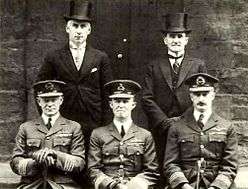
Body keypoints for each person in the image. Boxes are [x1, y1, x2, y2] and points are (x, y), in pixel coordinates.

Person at [37, 0, 113, 144]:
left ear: (89, 30)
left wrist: (105, 123)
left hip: (92, 119)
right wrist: (48, 116)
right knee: (63, 161)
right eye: (75, 26)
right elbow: (40, 87)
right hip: (63, 118)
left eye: (83, 26)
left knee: (90, 161)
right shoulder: (54, 56)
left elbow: (108, 92)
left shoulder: (100, 57)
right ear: (67, 28)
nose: (79, 31)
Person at [141, 13, 207, 177]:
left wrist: (182, 120)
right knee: (161, 170)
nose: (176, 40)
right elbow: (147, 98)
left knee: (187, 169)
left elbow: (202, 96)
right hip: (161, 130)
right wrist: (164, 122)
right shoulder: (154, 65)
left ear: (186, 39)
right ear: (165, 40)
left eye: (180, 36)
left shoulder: (198, 65)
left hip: (189, 127)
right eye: (172, 36)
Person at [163, 73, 238, 189]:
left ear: (213, 95)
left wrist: (216, 187)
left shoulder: (227, 127)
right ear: (191, 96)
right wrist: (183, 185)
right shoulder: (176, 127)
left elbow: (230, 166)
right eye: (197, 94)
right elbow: (170, 164)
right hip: (185, 184)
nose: (201, 99)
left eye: (205, 94)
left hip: (217, 185)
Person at [10, 80, 85, 189]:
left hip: (63, 185)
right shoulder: (26, 128)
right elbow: (15, 162)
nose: (49, 104)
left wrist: (55, 156)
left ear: (61, 100)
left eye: (53, 100)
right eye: (45, 100)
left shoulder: (74, 127)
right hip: (32, 184)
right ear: (39, 101)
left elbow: (80, 163)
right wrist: (35, 160)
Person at [88, 80, 159, 189]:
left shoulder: (145, 135)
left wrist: (133, 186)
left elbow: (152, 171)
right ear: (111, 104)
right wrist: (113, 185)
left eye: (125, 101)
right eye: (117, 101)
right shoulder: (98, 134)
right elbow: (93, 170)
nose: (121, 105)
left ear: (133, 104)